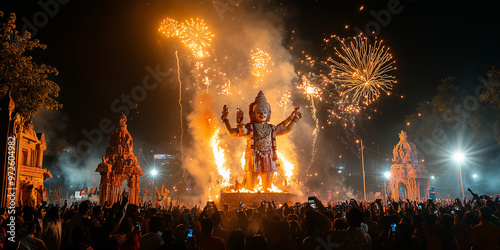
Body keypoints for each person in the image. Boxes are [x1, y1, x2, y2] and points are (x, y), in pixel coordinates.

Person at [222, 91, 301, 190]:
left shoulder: (271, 128)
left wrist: (294, 120)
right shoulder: (250, 127)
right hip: (252, 159)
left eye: (265, 111)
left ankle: (267, 205)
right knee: (251, 189)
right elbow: (232, 132)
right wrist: (228, 121)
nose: (262, 114)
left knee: (267, 189)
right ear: (253, 114)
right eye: (259, 111)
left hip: (269, 158)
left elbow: (287, 128)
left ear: (268, 114)